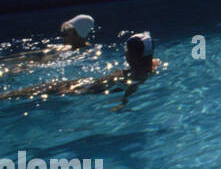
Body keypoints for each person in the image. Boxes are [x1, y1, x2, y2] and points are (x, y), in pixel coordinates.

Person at [0, 32, 160, 109]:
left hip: (91, 88)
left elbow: (132, 86)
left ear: (132, 57)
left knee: (44, 89)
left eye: (127, 51)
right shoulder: (149, 65)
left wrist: (123, 103)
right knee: (47, 88)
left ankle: (5, 96)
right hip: (93, 85)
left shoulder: (138, 74)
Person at [0, 14, 98, 77]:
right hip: (52, 59)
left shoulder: (86, 53)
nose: (62, 37)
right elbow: (30, 56)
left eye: (65, 34)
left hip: (46, 67)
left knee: (21, 69)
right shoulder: (66, 47)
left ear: (78, 34)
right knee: (26, 58)